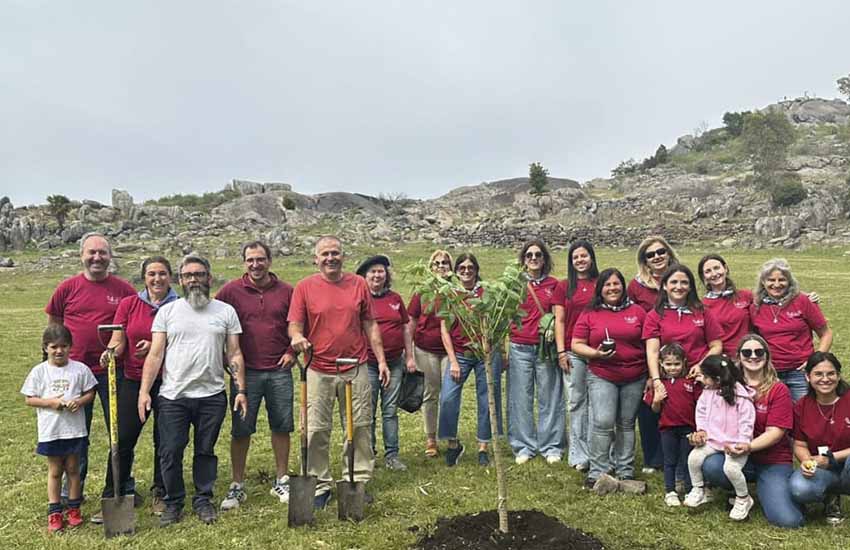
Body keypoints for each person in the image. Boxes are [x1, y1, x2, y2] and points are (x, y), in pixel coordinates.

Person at [138, 254, 246, 527]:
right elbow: (155, 355)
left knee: (205, 450)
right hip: (174, 397)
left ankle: (203, 499)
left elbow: (234, 353)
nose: (194, 280)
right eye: (188, 275)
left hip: (211, 397)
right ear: (181, 280)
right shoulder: (168, 312)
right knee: (170, 450)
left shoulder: (225, 312)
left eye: (199, 274)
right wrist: (144, 391)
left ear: (209, 278)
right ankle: (173, 502)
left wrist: (240, 388)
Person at [287, 236, 389, 510]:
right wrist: (297, 337)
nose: (330, 258)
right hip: (317, 368)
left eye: (335, 253)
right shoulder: (304, 287)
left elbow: (370, 324)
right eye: (325, 254)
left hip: (354, 367)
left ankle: (356, 480)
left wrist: (380, 360)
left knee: (359, 427)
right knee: (315, 429)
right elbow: (294, 325)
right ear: (315, 259)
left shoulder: (358, 285)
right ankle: (319, 484)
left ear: (343, 257)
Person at [45, 232, 136, 501]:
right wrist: (53, 362)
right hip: (75, 373)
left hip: (113, 372)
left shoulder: (123, 290)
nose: (97, 257)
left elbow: (135, 322)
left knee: (121, 432)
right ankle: (73, 488)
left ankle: (121, 485)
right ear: (82, 255)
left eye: (102, 253)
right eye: (91, 252)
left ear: (110, 257)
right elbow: (54, 325)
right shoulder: (67, 288)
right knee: (75, 432)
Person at [95, 256, 179, 519]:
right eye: (152, 274)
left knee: (165, 441)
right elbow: (118, 340)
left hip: (169, 382)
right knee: (123, 439)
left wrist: (157, 348)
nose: (157, 279)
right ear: (144, 278)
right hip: (133, 380)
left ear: (170, 277)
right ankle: (114, 493)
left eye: (162, 274)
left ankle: (161, 492)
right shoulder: (129, 304)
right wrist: (111, 352)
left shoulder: (180, 306)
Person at [216, 241, 296, 510]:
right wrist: (224, 357)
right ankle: (237, 485)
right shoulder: (229, 291)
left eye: (260, 259)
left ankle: (282, 479)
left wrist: (291, 352)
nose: (255, 264)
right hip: (245, 374)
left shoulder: (287, 291)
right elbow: (214, 322)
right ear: (244, 262)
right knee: (241, 428)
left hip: (279, 370)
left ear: (270, 261)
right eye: (250, 260)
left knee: (282, 425)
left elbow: (297, 324)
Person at [702, 334, 803, 528]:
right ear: (738, 357)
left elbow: (776, 433)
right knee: (711, 465)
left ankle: (782, 490)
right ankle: (738, 491)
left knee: (788, 520)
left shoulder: (778, 389)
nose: (753, 356)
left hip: (771, 460)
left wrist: (747, 446)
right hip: (736, 457)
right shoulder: (726, 386)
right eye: (747, 352)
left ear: (767, 356)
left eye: (759, 352)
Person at [571, 268, 647, 486]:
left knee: (626, 423)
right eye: (608, 285)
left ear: (623, 286)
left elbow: (649, 342)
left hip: (634, 375)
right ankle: (598, 470)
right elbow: (576, 344)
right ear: (600, 289)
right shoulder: (590, 313)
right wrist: (595, 354)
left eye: (616, 284)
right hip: (602, 374)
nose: (613, 288)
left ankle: (625, 469)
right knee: (603, 422)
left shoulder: (637, 312)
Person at [21, 324, 97, 533]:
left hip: (74, 430)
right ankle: (54, 512)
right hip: (52, 431)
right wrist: (51, 403)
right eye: (54, 346)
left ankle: (74, 509)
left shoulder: (80, 369)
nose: (59, 351)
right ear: (46, 347)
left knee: (73, 469)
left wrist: (79, 402)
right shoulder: (39, 372)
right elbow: (29, 399)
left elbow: (91, 393)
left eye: (64, 346)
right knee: (55, 471)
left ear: (70, 347)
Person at [438, 253, 503, 467]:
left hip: (485, 353)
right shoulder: (450, 295)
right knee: (448, 397)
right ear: (456, 271)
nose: (466, 271)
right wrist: (453, 362)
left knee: (488, 399)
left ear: (476, 270)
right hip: (460, 354)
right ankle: (453, 443)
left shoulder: (487, 293)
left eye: (470, 268)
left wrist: (500, 351)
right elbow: (444, 330)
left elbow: (498, 322)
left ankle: (483, 446)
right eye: (462, 268)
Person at [356, 254, 416, 471]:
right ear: (365, 276)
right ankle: (369, 454)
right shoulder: (361, 299)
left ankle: (392, 455)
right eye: (372, 271)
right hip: (369, 364)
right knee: (368, 410)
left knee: (390, 410)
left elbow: (406, 328)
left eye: (381, 271)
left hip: (394, 362)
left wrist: (409, 356)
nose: (377, 275)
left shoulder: (395, 299)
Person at [628, 236, 680, 473]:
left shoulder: (679, 278)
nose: (657, 257)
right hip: (646, 351)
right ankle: (653, 456)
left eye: (661, 251)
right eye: (651, 255)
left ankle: (677, 453)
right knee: (649, 404)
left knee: (678, 402)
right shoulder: (636, 286)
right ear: (645, 262)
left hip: (677, 351)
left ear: (668, 253)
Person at [508, 239, 563, 465]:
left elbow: (559, 316)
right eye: (529, 255)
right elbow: (505, 316)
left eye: (538, 255)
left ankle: (551, 445)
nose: (533, 259)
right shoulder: (514, 284)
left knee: (550, 397)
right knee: (520, 398)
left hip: (544, 348)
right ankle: (524, 445)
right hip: (519, 346)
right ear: (523, 259)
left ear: (544, 259)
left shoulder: (554, 284)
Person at [684, 355, 756, 521]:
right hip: (713, 439)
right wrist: (701, 430)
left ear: (716, 379)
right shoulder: (708, 393)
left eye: (704, 376)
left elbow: (747, 421)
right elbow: (701, 412)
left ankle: (743, 498)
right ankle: (699, 489)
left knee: (731, 469)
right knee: (694, 458)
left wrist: (743, 441)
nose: (702, 379)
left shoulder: (741, 397)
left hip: (736, 443)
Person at [751, 258, 832, 402]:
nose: (776, 285)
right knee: (775, 415)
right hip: (770, 372)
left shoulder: (802, 301)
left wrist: (816, 359)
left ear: (789, 281)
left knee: (803, 415)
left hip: (799, 372)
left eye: (782, 280)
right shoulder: (756, 306)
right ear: (763, 282)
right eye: (771, 280)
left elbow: (826, 333)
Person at [553, 239, 599, 472]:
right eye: (576, 257)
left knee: (597, 403)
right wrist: (561, 351)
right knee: (576, 401)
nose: (580, 260)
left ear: (591, 257)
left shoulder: (600, 283)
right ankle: (578, 454)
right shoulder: (564, 287)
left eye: (584, 256)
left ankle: (598, 451)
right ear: (571, 262)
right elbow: (559, 320)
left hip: (598, 352)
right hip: (573, 350)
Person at [789, 352, 850, 525]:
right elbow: (799, 444)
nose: (825, 379)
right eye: (818, 374)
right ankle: (831, 496)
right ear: (808, 377)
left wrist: (831, 458)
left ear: (838, 376)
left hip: (846, 463)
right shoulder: (801, 406)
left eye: (830, 373)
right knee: (800, 488)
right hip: (822, 468)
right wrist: (808, 463)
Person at [408, 250, 452, 458]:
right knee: (430, 394)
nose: (441, 266)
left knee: (450, 394)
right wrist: (409, 353)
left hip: (450, 351)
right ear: (430, 267)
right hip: (425, 348)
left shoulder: (455, 291)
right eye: (437, 263)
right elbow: (411, 322)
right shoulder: (422, 292)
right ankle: (431, 437)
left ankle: (450, 434)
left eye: (445, 263)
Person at [643, 343, 700, 507]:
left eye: (676, 364)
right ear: (661, 363)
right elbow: (654, 410)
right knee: (669, 461)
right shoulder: (659, 384)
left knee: (688, 460)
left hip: (688, 428)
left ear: (684, 362)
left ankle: (690, 491)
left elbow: (700, 405)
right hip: (667, 429)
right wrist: (656, 400)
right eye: (668, 364)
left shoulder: (691, 383)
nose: (673, 368)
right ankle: (670, 491)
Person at [697, 254, 754, 357]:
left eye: (716, 268)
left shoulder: (746, 296)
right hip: (722, 359)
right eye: (708, 271)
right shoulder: (702, 306)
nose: (714, 273)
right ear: (704, 277)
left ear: (725, 268)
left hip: (748, 356)